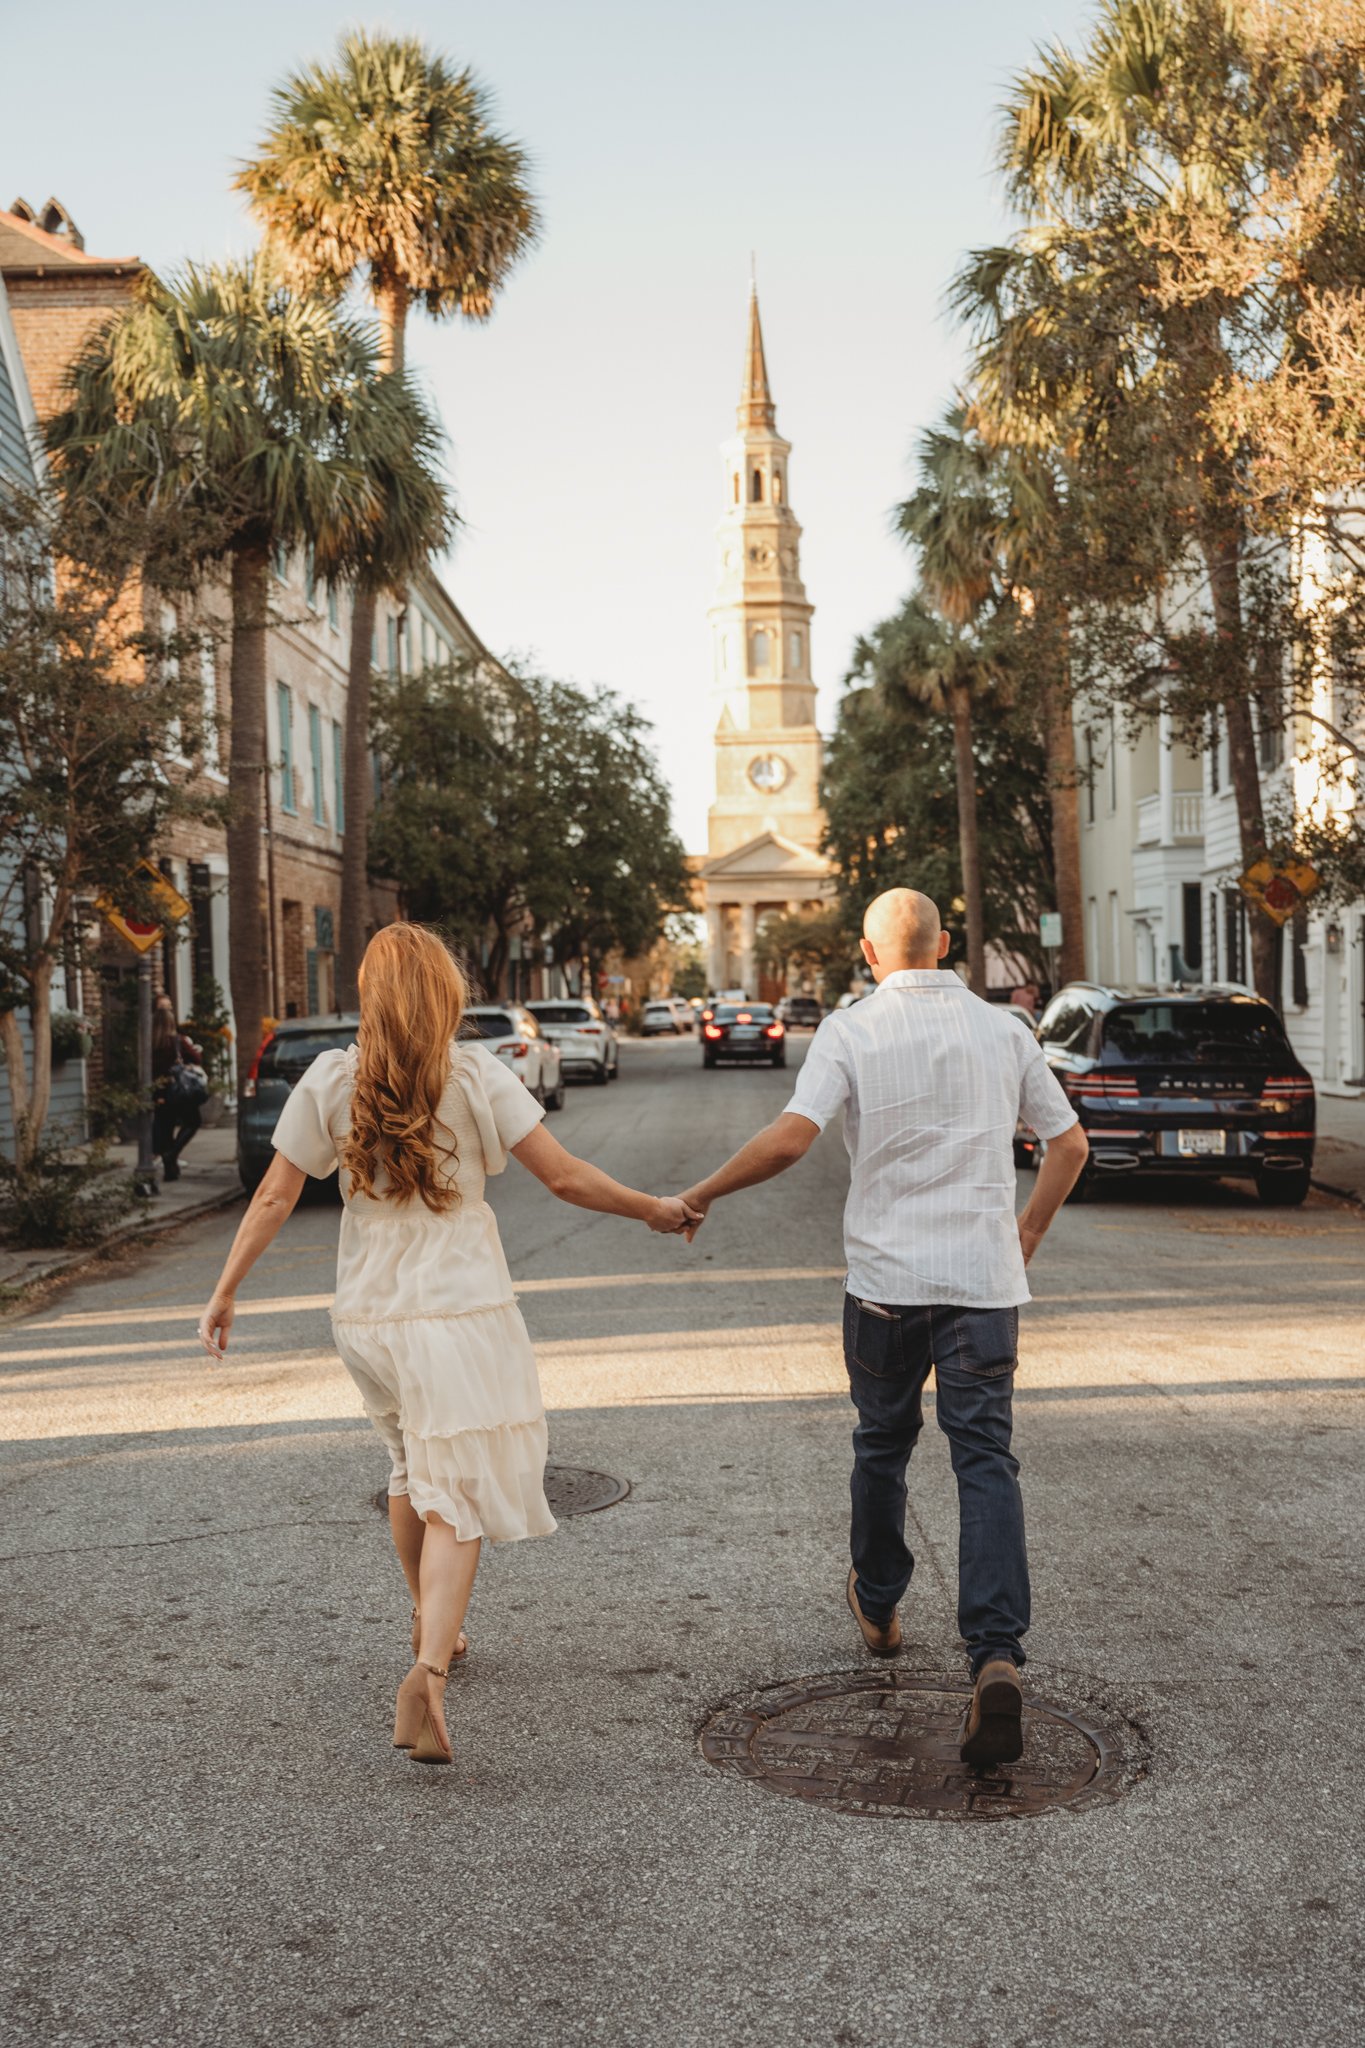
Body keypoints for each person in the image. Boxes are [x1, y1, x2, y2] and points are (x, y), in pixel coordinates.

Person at [198, 924, 698, 1766]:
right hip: (457, 1313)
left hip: (366, 1315)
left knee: (408, 1470)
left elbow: (275, 1197)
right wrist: (653, 1207)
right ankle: (426, 1670)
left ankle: (439, 1625)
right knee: (456, 1490)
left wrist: (225, 1290)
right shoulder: (473, 1074)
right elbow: (567, 1177)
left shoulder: (329, 1077)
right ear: (443, 993)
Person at [677, 889, 1089, 1767]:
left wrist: (701, 1193)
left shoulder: (851, 1030)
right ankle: (995, 1657)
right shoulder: (1004, 1030)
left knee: (881, 1443)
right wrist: (1024, 1235)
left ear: (870, 956)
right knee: (984, 1458)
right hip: (981, 1282)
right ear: (945, 945)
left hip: (885, 1288)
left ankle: (878, 1597)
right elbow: (1068, 1144)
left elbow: (791, 1141)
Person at [151, 995, 203, 1182]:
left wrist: (157, 1094)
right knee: (193, 1121)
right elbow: (197, 1059)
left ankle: (170, 1171)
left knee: (165, 1129)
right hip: (179, 1092)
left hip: (160, 1093)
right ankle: (172, 1155)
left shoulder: (149, 1044)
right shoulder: (177, 1041)